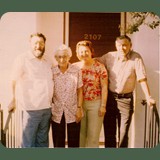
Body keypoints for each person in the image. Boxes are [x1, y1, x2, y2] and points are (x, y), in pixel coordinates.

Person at [98, 35, 156, 148]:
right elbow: (94, 63)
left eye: (125, 45)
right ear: (116, 45)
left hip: (126, 100)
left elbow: (142, 78)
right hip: (109, 98)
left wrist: (148, 97)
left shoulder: (136, 58)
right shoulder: (109, 56)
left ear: (130, 46)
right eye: (119, 45)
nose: (122, 48)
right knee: (109, 132)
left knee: (123, 133)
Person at [8, 33, 53, 148]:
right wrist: (12, 99)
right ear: (30, 44)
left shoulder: (48, 60)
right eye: (35, 43)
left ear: (44, 44)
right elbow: (13, 80)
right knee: (28, 144)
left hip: (47, 108)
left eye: (41, 43)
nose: (38, 46)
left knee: (42, 142)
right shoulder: (22, 59)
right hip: (31, 109)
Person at [75, 40, 108, 148]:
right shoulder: (75, 67)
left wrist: (103, 105)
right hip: (79, 105)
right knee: (81, 135)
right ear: (77, 53)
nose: (83, 54)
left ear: (91, 51)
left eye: (86, 51)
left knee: (93, 135)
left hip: (96, 104)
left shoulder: (100, 66)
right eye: (81, 52)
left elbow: (104, 87)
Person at [51, 44, 83, 148]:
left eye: (65, 56)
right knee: (58, 142)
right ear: (56, 58)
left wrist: (79, 108)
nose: (62, 59)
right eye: (59, 57)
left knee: (74, 142)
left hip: (73, 110)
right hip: (57, 110)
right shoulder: (52, 72)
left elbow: (80, 90)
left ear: (69, 56)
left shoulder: (76, 70)